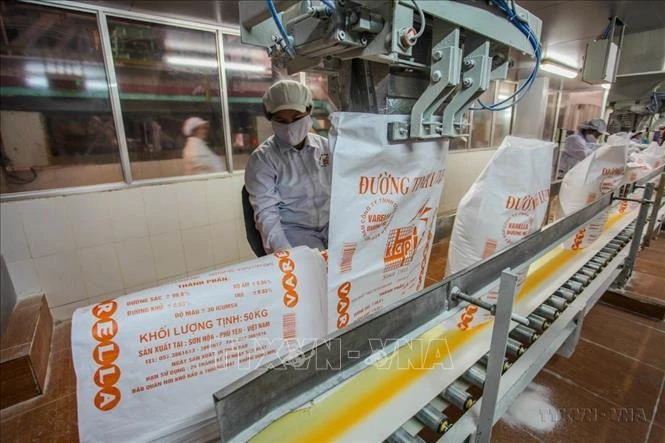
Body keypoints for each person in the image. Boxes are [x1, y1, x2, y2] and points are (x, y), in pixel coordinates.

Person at [244, 80, 332, 254]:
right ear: (270, 118)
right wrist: (286, 254)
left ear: (309, 111)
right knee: (313, 274)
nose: (290, 126)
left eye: (296, 118)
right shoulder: (262, 160)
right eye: (281, 120)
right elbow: (266, 214)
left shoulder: (326, 147)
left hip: (332, 225)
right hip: (295, 233)